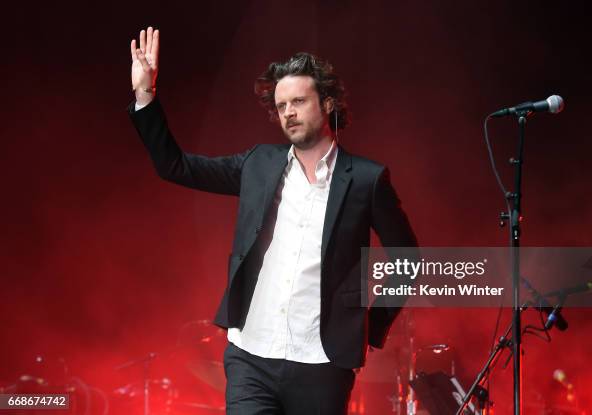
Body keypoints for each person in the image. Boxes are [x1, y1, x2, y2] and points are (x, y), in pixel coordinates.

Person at [128, 26, 418, 415]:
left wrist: (372, 327)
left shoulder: (366, 179)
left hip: (322, 363)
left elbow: (409, 259)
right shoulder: (258, 164)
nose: (289, 113)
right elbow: (175, 166)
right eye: (282, 106)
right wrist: (145, 94)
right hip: (251, 354)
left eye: (298, 101)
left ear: (328, 103)